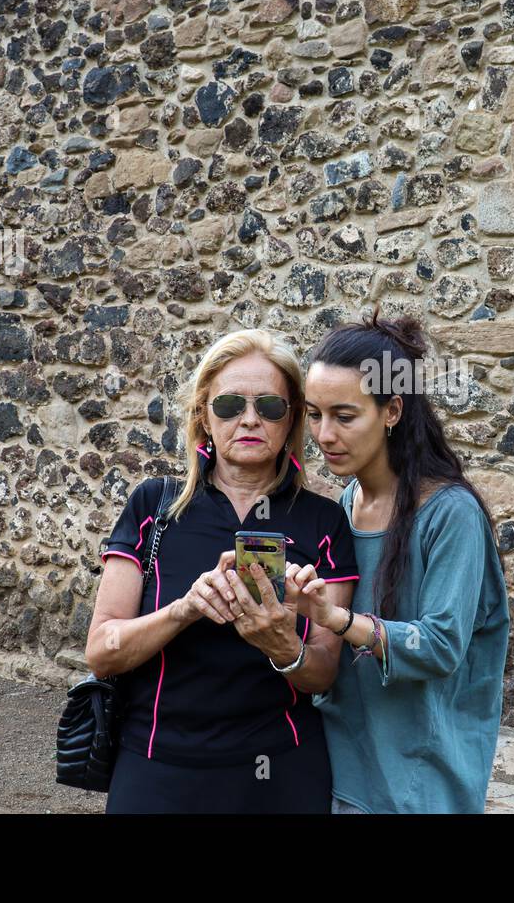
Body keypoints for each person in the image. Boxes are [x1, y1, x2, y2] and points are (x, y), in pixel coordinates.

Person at [85, 329, 359, 813]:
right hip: (158, 769)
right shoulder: (156, 506)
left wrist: (283, 645)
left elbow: (322, 675)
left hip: (281, 774)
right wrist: (186, 609)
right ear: (203, 416)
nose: (250, 419)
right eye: (229, 405)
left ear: (291, 419)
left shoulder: (324, 521)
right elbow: (102, 652)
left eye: (270, 407)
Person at [296, 308, 510, 813]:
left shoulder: (450, 514)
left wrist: (340, 619)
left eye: (345, 416)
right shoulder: (346, 504)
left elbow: (440, 645)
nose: (324, 435)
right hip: (342, 764)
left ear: (392, 411)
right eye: (314, 414)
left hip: (420, 782)